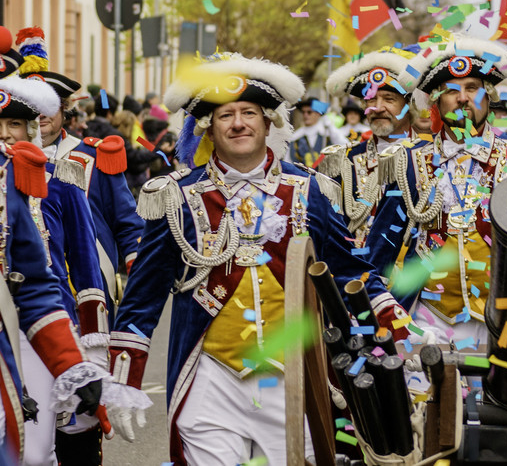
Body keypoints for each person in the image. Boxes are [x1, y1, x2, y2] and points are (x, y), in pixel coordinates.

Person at [103, 53, 409, 465]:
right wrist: (124, 379)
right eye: (226, 115)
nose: (238, 123)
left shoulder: (310, 189)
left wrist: (396, 326)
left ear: (269, 121)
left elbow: (350, 271)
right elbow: (144, 294)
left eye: (248, 112)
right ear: (209, 127)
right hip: (210, 378)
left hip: (293, 377)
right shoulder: (175, 196)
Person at [382, 33, 507, 347]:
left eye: (472, 88)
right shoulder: (408, 163)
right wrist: (399, 326)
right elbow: (377, 256)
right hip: (427, 322)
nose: (462, 98)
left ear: (488, 97)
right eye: (451, 91)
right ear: (436, 102)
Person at [14, 27, 120, 464]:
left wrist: (91, 348)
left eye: (16, 124)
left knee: (46, 446)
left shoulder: (69, 177)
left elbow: (87, 253)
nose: (9, 135)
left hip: (53, 320)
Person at [319, 47, 423, 287]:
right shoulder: (341, 161)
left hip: (415, 291)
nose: (377, 107)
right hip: (355, 287)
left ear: (409, 104)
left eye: (389, 99)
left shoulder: (430, 157)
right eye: (371, 99)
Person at [286, 97, 347, 168]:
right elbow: (288, 160)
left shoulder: (327, 132)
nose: (305, 115)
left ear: (318, 113)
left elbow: (344, 144)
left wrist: (330, 127)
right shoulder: (296, 136)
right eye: (303, 112)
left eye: (309, 112)